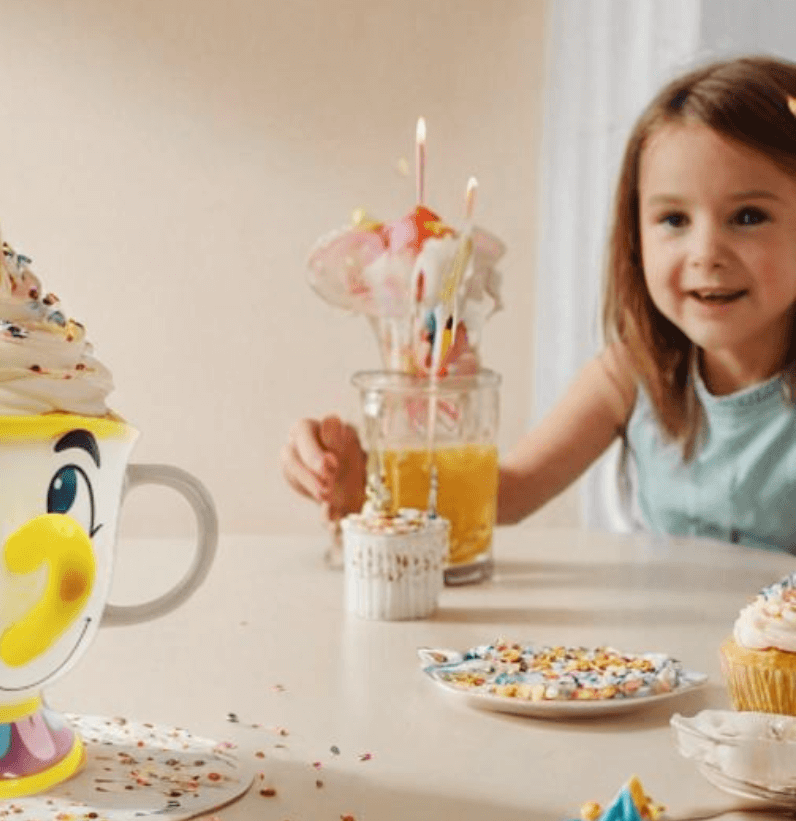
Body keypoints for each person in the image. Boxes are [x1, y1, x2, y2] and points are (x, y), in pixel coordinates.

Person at [279, 54, 796, 555]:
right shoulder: (633, 372)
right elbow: (505, 493)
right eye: (674, 220)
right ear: (635, 238)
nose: (706, 253)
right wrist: (361, 477)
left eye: (748, 216)